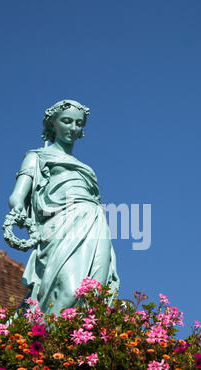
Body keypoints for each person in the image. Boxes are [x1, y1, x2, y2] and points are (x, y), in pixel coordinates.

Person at [8, 99, 120, 316]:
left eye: (79, 124)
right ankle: (43, 341)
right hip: (60, 225)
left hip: (95, 223)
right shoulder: (37, 156)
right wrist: (18, 208)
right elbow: (17, 195)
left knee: (95, 293)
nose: (73, 128)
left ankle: (84, 343)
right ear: (52, 124)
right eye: (67, 121)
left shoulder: (87, 169)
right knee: (69, 291)